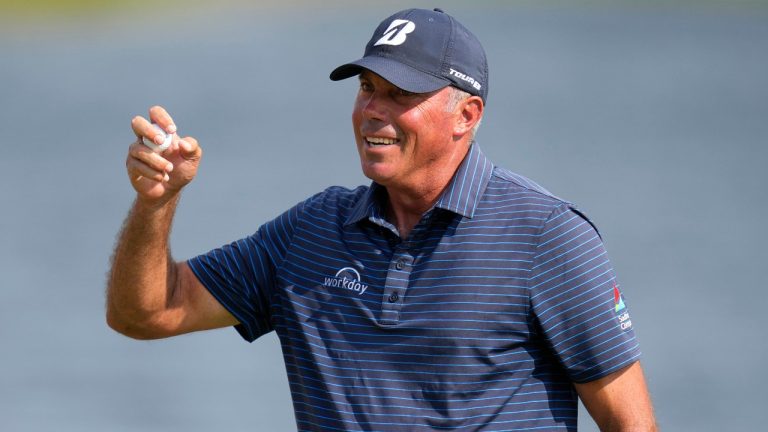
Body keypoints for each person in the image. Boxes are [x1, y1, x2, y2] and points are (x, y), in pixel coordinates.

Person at [107, 8, 656, 431]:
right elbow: (145, 313)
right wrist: (156, 204)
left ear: (467, 115)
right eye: (368, 88)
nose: (373, 109)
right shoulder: (309, 232)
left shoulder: (547, 236)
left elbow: (630, 422)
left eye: (400, 94)